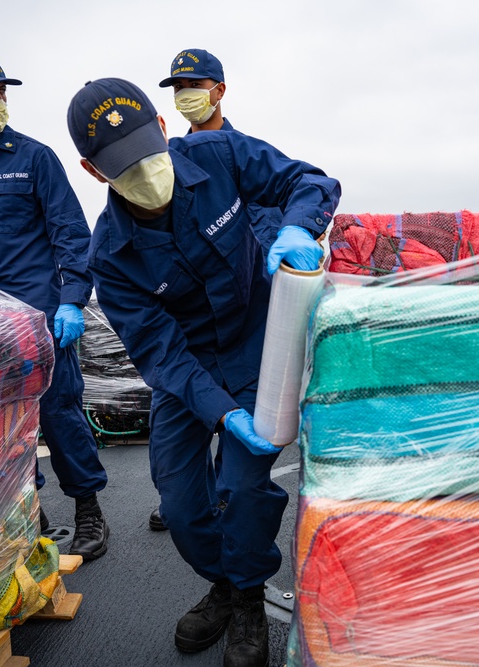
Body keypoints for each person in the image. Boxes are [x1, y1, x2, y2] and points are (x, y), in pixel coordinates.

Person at [67, 77, 340, 667]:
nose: (145, 172)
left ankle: (245, 598)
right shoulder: (110, 255)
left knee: (243, 489)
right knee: (183, 504)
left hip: (258, 352)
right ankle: (220, 581)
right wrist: (219, 409)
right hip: (186, 373)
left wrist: (298, 224)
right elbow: (159, 352)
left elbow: (309, 180)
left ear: (164, 130)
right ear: (94, 172)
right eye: (123, 167)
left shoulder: (219, 155)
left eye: (148, 152)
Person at [0, 53, 109, 561]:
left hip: (38, 321)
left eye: (1, 91)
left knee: (59, 413)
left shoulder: (33, 158)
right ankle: (28, 516)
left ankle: (88, 509)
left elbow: (70, 234)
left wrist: (72, 302)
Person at [146, 48, 282, 534]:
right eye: (178, 88)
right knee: (178, 461)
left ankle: (234, 525)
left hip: (244, 324)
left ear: (219, 91)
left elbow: (267, 227)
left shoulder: (239, 154)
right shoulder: (160, 166)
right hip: (189, 334)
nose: (186, 96)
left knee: (241, 464)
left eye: (194, 85)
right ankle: (196, 502)